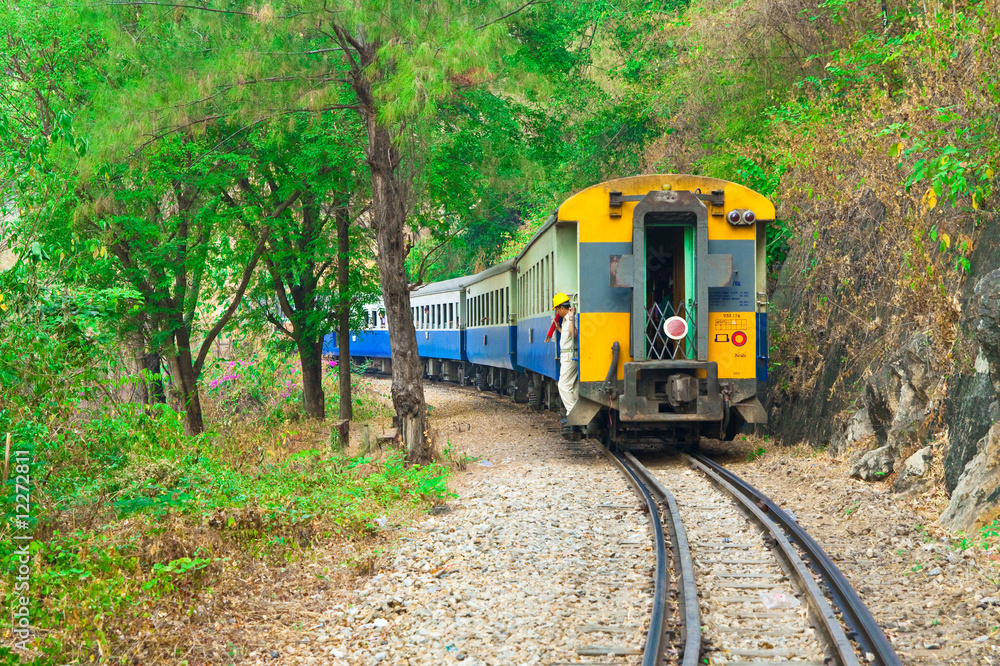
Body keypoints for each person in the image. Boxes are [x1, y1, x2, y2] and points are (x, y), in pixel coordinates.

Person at [548, 293, 578, 420]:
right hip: (567, 355)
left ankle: (574, 414)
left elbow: (573, 334)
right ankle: (577, 413)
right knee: (573, 387)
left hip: (569, 356)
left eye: (557, 309)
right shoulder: (566, 320)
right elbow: (567, 335)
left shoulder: (571, 318)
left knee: (563, 385)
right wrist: (559, 328)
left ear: (561, 308)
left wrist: (571, 318)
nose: (557, 312)